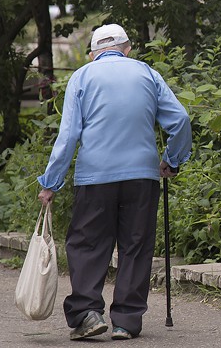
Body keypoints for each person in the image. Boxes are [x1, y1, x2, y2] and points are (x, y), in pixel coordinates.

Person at [36, 23, 192, 341]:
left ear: (93, 53)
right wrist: (172, 161)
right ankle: (126, 322)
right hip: (142, 176)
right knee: (136, 245)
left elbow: (68, 137)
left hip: (95, 177)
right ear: (127, 48)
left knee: (88, 243)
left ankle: (87, 314)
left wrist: (51, 181)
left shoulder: (82, 77)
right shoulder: (147, 74)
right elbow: (181, 120)